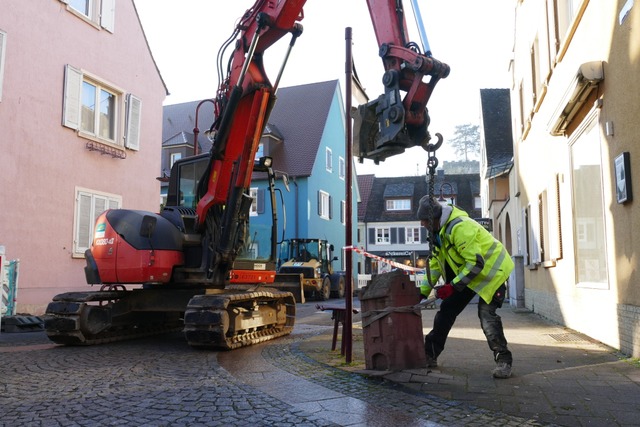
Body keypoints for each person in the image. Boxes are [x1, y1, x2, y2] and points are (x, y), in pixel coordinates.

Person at [416, 195, 514, 379]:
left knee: (486, 315)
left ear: (433, 219)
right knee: (446, 310)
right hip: (469, 275)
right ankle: (429, 354)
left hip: (493, 272)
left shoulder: (459, 228)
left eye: (424, 221)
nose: (422, 225)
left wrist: (452, 287)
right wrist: (421, 293)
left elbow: (476, 264)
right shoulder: (437, 234)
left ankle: (504, 360)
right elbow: (436, 265)